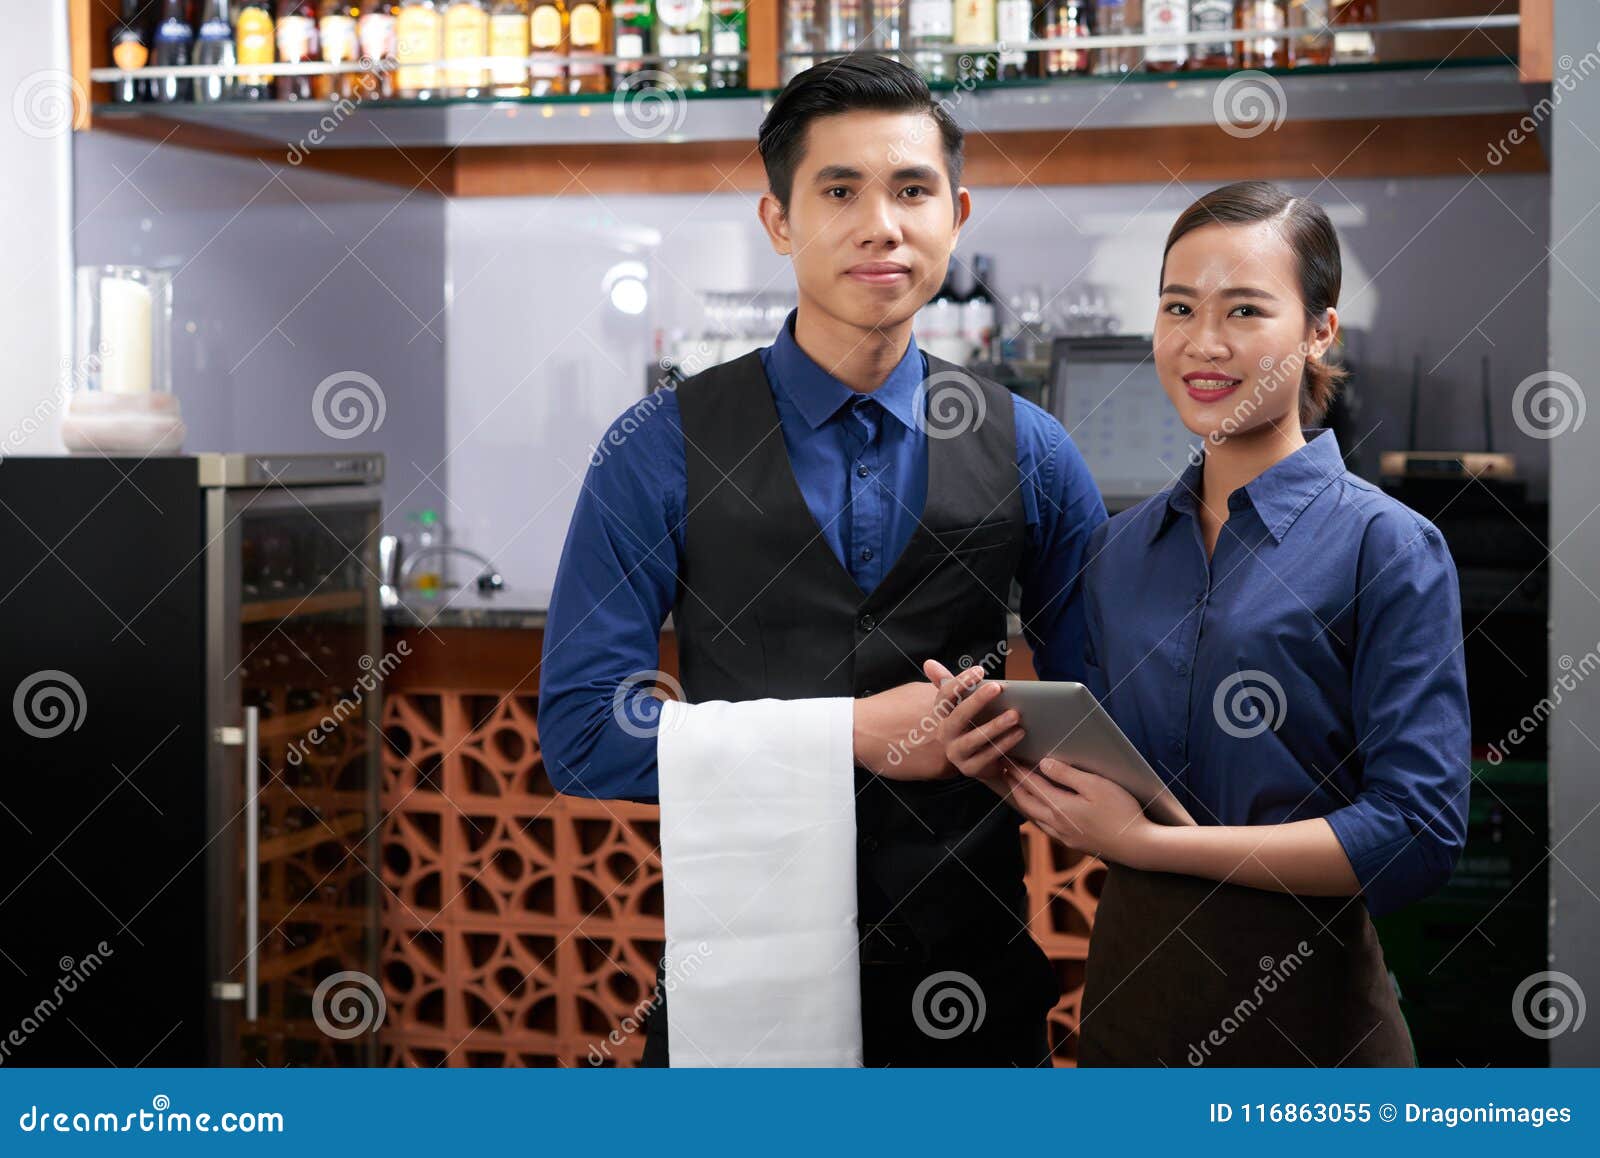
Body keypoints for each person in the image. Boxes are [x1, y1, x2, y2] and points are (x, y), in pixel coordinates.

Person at [537, 54, 1107, 1066]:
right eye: (838, 190)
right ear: (779, 221)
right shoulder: (657, 447)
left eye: (912, 189)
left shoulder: (1031, 449)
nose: (879, 223)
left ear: (957, 213)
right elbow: (584, 738)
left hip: (970, 992)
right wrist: (852, 732)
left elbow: (1101, 722)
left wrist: (1014, 744)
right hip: (743, 990)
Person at [929, 180, 1470, 1067]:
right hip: (1133, 1007)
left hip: (1312, 1023)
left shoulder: (1390, 548)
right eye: (1178, 307)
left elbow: (1416, 833)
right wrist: (1002, 749)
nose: (1203, 342)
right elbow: (1112, 777)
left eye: (1246, 309)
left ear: (1319, 331)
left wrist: (1145, 844)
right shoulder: (1118, 554)